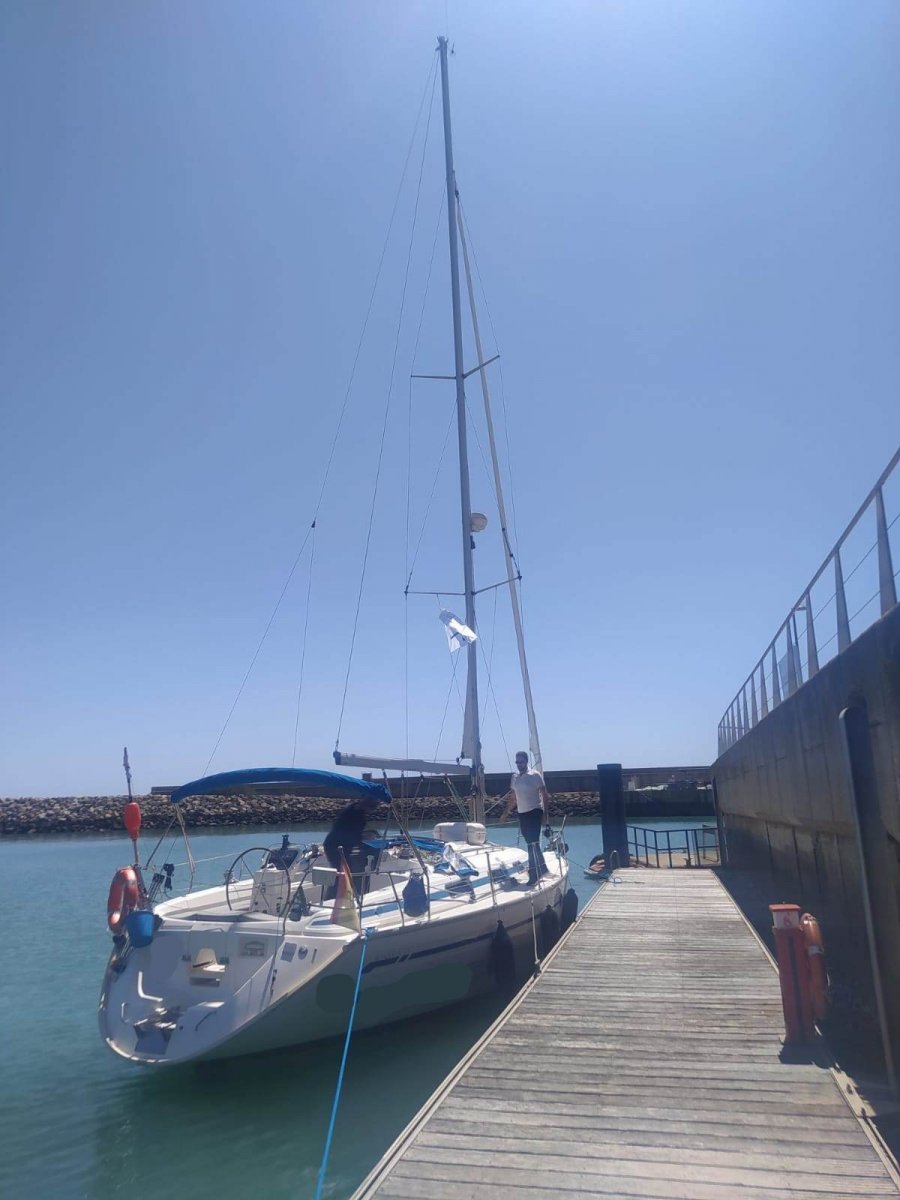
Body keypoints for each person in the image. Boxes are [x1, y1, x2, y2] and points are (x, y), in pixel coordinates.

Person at [501, 751, 551, 885]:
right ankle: (543, 868)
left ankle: (534, 874)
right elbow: (513, 797)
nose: (519, 765)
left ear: (526, 762)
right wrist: (506, 812)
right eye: (517, 762)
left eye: (521, 762)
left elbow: (545, 795)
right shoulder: (515, 777)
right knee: (530, 842)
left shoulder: (535, 775)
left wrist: (546, 816)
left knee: (532, 843)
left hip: (535, 811)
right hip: (522, 813)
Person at [323, 794, 384, 896]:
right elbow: (352, 834)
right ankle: (333, 899)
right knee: (342, 872)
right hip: (336, 847)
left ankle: (337, 897)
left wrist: (364, 836)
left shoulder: (353, 808)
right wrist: (366, 837)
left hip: (335, 844)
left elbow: (350, 832)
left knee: (343, 872)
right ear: (370, 807)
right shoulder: (357, 815)